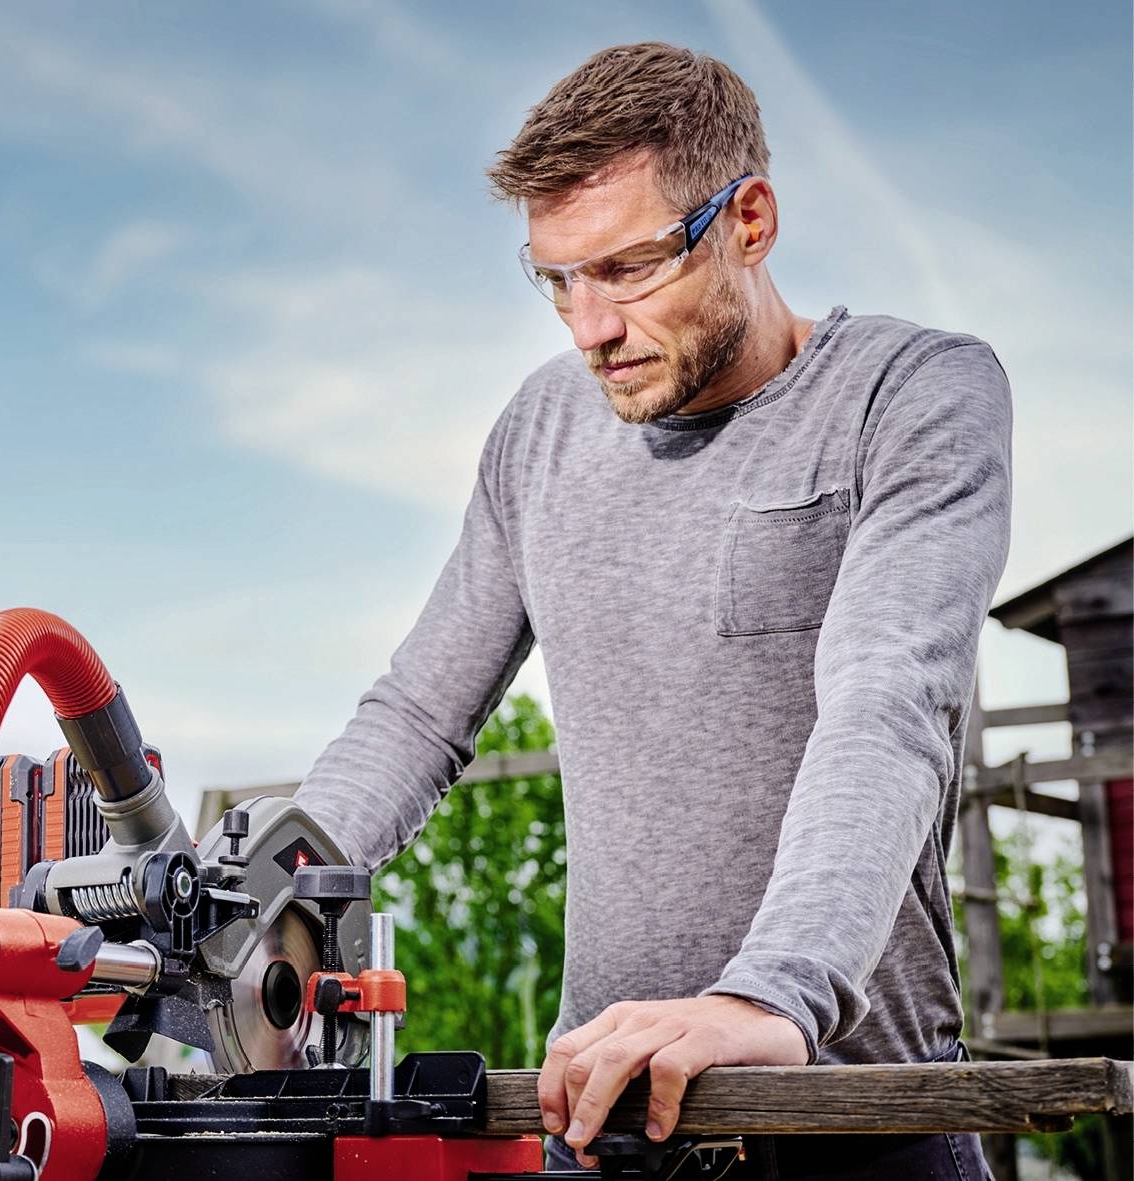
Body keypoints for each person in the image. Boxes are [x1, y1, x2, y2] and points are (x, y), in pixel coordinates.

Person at [292, 41, 1009, 1180]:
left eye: (626, 269)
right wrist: (265, 888)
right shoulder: (540, 430)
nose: (589, 328)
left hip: (853, 1113)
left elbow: (888, 703)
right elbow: (417, 715)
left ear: (749, 222)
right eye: (556, 280)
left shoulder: (909, 394)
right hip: (605, 1118)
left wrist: (765, 996)